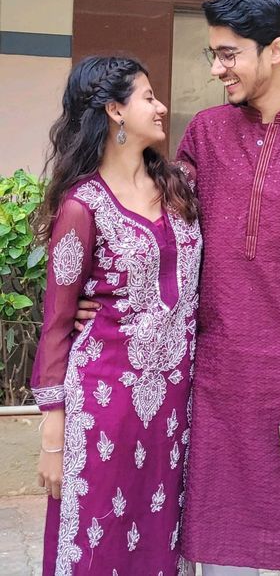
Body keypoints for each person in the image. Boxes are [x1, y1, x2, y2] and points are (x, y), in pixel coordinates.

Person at [77, 0, 280, 576]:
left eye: (229, 53)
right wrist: (104, 300)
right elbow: (158, 228)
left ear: (274, 50)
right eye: (212, 53)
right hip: (215, 393)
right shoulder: (207, 135)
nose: (217, 68)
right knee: (221, 561)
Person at [31, 56, 201, 576]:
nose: (162, 106)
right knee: (95, 542)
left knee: (159, 544)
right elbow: (58, 326)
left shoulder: (182, 189)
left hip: (174, 410)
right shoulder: (83, 207)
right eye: (148, 96)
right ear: (115, 111)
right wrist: (53, 443)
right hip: (102, 410)